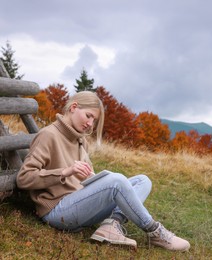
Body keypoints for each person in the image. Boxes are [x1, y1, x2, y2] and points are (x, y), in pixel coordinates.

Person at [16, 91, 190, 252]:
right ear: (74, 107)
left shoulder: (80, 140)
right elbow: (24, 178)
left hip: (79, 202)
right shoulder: (48, 135)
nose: (90, 124)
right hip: (56, 211)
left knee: (143, 180)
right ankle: (155, 232)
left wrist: (92, 177)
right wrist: (65, 172)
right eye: (88, 116)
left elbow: (85, 176)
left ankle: (112, 225)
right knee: (117, 181)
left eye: (94, 120)